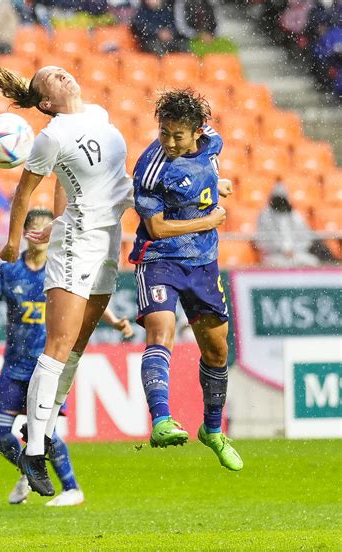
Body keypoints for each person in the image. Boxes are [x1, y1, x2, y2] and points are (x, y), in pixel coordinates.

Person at [0, 62, 137, 497]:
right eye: (50, 77)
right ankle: (34, 451)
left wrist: (59, 217)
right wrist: (14, 242)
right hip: (77, 245)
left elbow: (68, 184)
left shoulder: (99, 116)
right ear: (46, 102)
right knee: (57, 347)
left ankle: (46, 430)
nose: (63, 74)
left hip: (108, 240)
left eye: (61, 70)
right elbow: (24, 191)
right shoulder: (51, 135)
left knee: (75, 349)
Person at [0, 208, 133, 506]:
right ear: (25, 233)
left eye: (45, 228)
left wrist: (113, 321)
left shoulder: (60, 269)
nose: (39, 234)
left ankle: (71, 488)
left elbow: (83, 299)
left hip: (47, 366)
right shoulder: (9, 270)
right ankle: (27, 469)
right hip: (14, 366)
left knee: (44, 433)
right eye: (33, 227)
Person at [129, 88, 243, 472]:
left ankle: (212, 430)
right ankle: (161, 420)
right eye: (164, 133)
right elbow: (157, 228)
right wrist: (208, 219)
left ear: (197, 132)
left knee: (217, 352)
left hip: (203, 264)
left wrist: (216, 184)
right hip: (159, 260)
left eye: (178, 135)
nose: (170, 142)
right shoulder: (151, 168)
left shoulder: (212, 143)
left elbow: (203, 171)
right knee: (161, 330)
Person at [255, 182, 320, 267]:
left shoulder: (295, 216)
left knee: (312, 261)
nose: (280, 202)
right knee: (275, 264)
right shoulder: (265, 216)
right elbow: (262, 240)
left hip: (297, 254)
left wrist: (293, 250)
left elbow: (305, 238)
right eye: (278, 199)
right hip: (274, 255)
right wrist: (282, 249)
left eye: (282, 199)